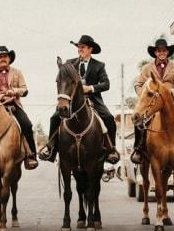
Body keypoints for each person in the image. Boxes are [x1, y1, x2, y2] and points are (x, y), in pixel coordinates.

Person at [39, 35, 120, 164]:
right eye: (78, 47)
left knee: (109, 117)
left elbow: (106, 84)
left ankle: (111, 150)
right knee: (55, 117)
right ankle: (51, 148)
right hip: (72, 100)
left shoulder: (99, 65)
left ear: (90, 49)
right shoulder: (69, 63)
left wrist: (91, 88)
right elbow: (63, 80)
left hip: (93, 99)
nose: (79, 49)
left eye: (82, 47)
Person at [132, 38, 174, 165]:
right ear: (155, 53)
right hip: (153, 103)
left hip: (173, 102)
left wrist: (171, 92)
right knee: (138, 119)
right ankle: (138, 149)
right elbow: (138, 84)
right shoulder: (147, 68)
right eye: (159, 51)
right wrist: (142, 95)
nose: (162, 53)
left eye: (164, 50)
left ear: (168, 52)